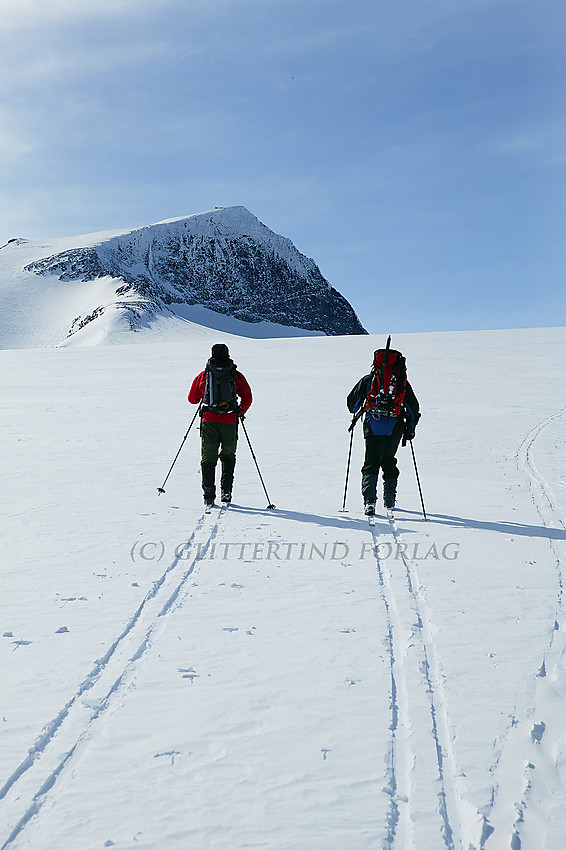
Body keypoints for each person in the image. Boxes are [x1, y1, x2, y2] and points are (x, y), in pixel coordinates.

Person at [347, 345, 420, 515]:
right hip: (395, 425)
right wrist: (410, 428)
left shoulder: (368, 380)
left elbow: (352, 405)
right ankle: (389, 501)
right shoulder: (401, 381)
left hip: (373, 423)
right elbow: (413, 408)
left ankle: (369, 501)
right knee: (389, 460)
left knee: (371, 461)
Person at [188, 343, 252, 507]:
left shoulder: (204, 375)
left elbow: (192, 399)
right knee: (228, 456)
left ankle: (208, 495)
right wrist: (240, 411)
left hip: (209, 420)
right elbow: (247, 397)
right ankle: (226, 492)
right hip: (230, 421)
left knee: (208, 457)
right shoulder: (235, 375)